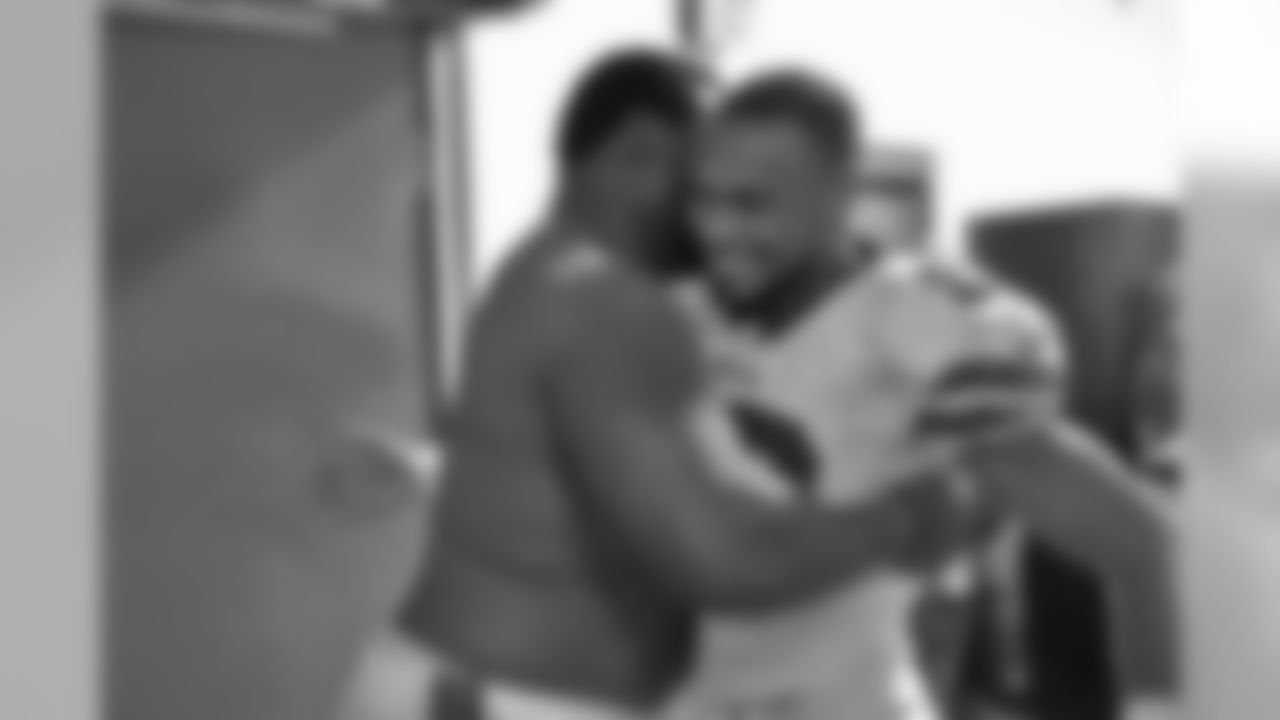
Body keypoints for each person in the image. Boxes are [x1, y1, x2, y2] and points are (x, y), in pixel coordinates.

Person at [391, 49, 969, 720]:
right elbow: (720, 559)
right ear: (641, 156)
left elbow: (550, 477)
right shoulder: (604, 301)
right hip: (503, 702)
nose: (713, 211)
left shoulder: (547, 275)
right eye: (704, 176)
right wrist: (900, 522)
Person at [671, 70, 1180, 720]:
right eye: (703, 200)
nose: (717, 228)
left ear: (840, 192)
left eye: (751, 203)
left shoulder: (917, 325)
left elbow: (1143, 548)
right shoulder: (670, 314)